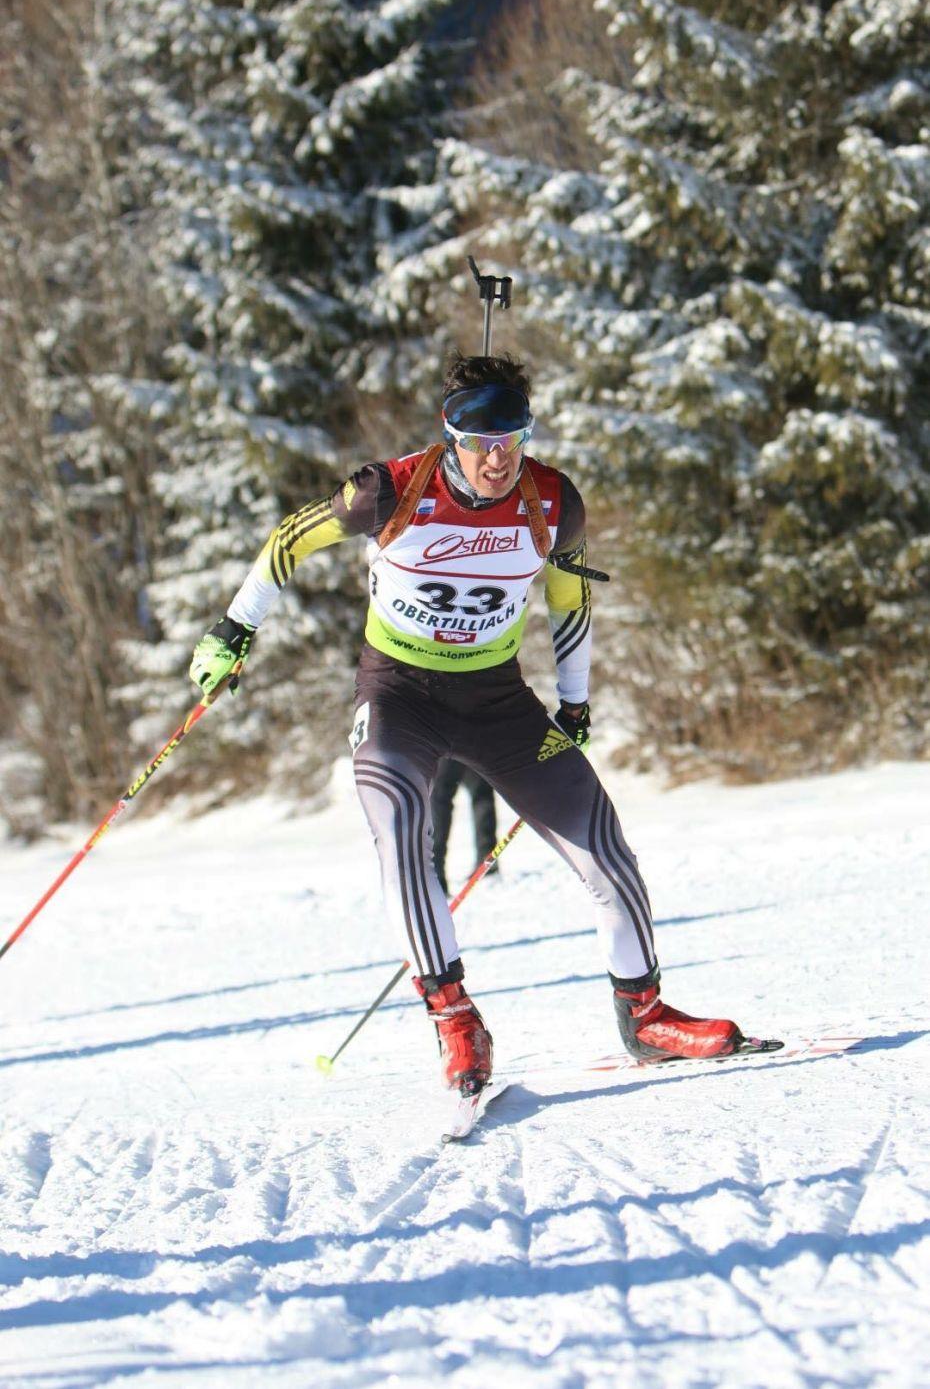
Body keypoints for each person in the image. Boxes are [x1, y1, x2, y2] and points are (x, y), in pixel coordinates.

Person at [190, 351, 748, 1096]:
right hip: (399, 694)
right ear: (450, 434)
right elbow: (288, 541)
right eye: (481, 441)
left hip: (497, 699)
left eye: (512, 438)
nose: (497, 458)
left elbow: (569, 602)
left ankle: (644, 1015)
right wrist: (234, 628)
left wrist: (574, 703)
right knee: (402, 834)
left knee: (602, 841)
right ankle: (456, 1020)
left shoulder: (552, 501)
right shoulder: (386, 491)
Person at [431, 758, 498, 895]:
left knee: (440, 798)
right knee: (481, 794)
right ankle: (487, 860)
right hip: (476, 743)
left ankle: (435, 875)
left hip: (450, 744)